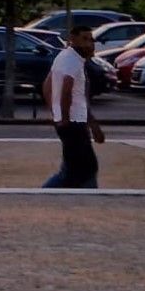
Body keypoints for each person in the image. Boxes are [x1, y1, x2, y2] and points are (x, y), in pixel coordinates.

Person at [42, 26, 105, 189]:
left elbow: (47, 85)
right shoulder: (72, 61)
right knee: (82, 168)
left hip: (74, 121)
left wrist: (92, 125)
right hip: (72, 122)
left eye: (91, 40)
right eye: (84, 39)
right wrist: (63, 117)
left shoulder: (68, 58)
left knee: (77, 167)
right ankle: (45, 194)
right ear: (72, 40)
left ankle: (87, 198)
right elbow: (66, 89)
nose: (90, 44)